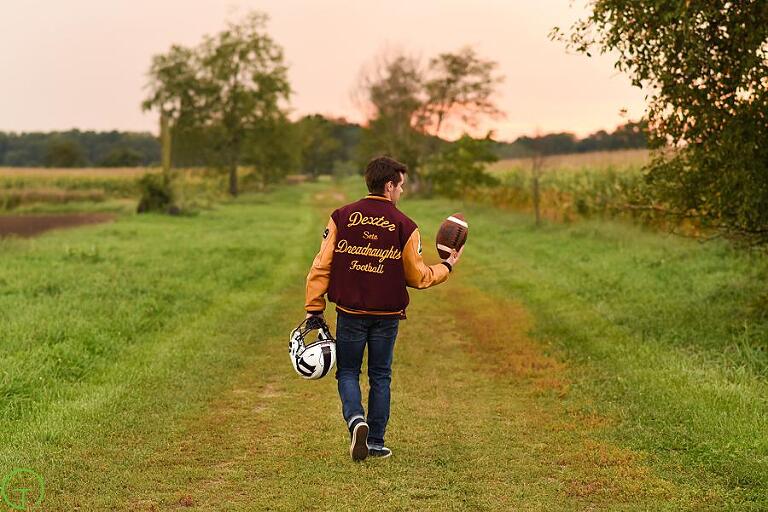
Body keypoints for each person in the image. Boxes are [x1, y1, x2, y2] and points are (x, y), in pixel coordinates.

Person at [304, 155, 464, 462]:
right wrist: (446, 267)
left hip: (350, 314)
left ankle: (355, 421)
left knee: (348, 372)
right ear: (389, 186)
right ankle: (375, 442)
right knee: (380, 375)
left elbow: (321, 265)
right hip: (387, 317)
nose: (402, 192)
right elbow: (417, 277)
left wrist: (314, 308)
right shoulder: (406, 226)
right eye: (401, 186)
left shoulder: (341, 216)